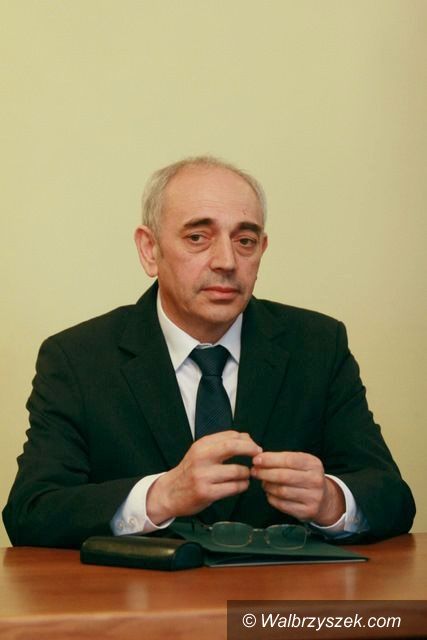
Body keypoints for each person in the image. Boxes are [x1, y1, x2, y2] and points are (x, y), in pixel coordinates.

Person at [3, 156, 415, 549]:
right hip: (142, 595)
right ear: (150, 250)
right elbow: (31, 511)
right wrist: (161, 496)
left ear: (262, 250)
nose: (227, 261)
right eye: (198, 237)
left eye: (245, 241)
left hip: (278, 593)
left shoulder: (318, 346)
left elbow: (392, 497)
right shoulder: (78, 359)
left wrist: (331, 501)